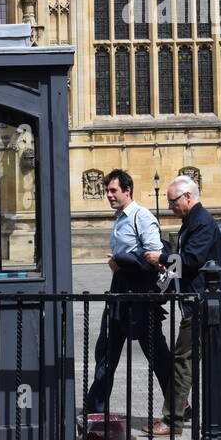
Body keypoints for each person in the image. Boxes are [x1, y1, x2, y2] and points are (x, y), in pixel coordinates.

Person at [142, 175, 221, 436]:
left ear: (188, 197)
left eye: (172, 201)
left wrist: (162, 257)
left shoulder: (201, 222)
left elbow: (191, 259)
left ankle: (172, 421)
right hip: (201, 302)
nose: (170, 206)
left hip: (202, 304)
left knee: (182, 361)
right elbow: (185, 263)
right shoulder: (191, 222)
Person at [82, 169, 176, 421]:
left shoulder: (141, 216)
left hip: (141, 296)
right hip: (120, 292)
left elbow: (157, 257)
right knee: (106, 351)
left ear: (127, 190)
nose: (109, 195)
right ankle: (95, 408)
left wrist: (122, 263)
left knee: (157, 354)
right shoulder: (120, 218)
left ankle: (180, 403)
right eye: (107, 191)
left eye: (113, 190)